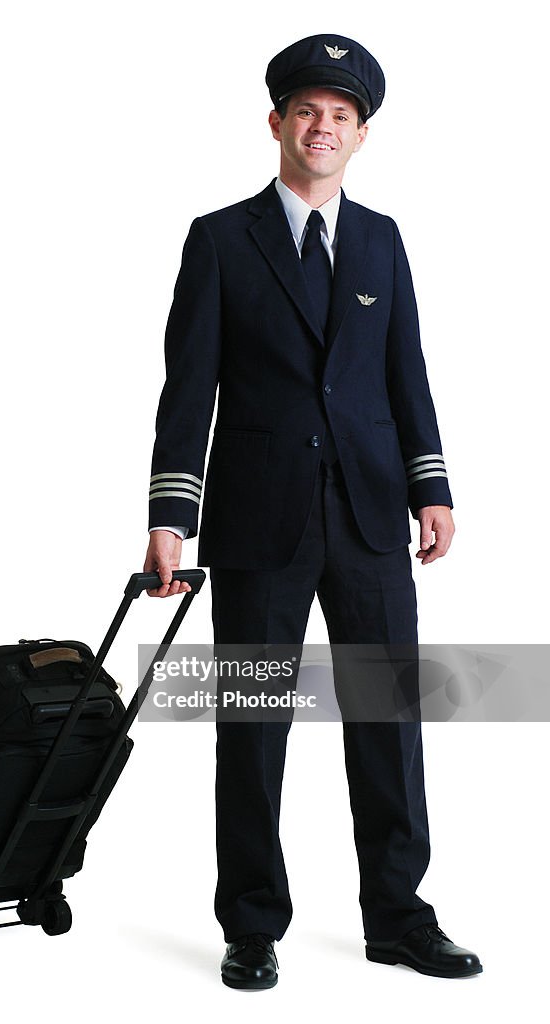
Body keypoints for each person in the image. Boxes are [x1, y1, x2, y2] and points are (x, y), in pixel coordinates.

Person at [142, 33, 482, 986]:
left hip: (373, 514)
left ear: (361, 134)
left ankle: (398, 916)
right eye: (307, 110)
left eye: (340, 115)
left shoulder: (381, 239)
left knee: (388, 718)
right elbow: (188, 388)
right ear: (277, 124)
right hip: (257, 518)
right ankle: (251, 924)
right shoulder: (219, 238)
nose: (321, 126)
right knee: (253, 723)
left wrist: (432, 485)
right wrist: (172, 513)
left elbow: (403, 367)